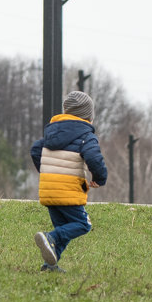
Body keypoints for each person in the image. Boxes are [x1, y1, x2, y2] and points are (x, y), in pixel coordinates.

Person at [30, 90, 108, 273]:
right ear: (89, 116)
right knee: (82, 224)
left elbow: (35, 150)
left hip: (48, 190)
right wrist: (99, 178)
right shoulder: (86, 135)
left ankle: (50, 265)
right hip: (68, 190)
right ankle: (50, 237)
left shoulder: (52, 131)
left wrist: (48, 174)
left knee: (63, 228)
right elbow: (94, 158)